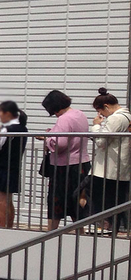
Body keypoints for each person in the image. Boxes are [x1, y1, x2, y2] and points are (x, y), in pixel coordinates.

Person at [39, 90, 90, 230]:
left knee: (56, 203)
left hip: (64, 167)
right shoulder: (79, 114)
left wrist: (47, 138)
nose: (54, 114)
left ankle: (51, 234)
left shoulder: (64, 119)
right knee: (76, 204)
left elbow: (59, 144)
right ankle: (81, 234)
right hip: (82, 164)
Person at [88, 88, 131, 231]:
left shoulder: (116, 118)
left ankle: (106, 227)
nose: (101, 115)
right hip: (118, 168)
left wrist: (96, 126)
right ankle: (112, 227)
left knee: (101, 200)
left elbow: (101, 142)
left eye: (101, 112)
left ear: (106, 106)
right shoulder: (127, 116)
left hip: (108, 169)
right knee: (115, 201)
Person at [0, 101, 28, 229]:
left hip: (2, 167)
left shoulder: (6, 129)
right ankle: (9, 225)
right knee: (9, 200)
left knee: (2, 200)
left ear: (8, 114)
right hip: (14, 166)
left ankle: (3, 226)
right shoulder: (23, 129)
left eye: (1, 113)